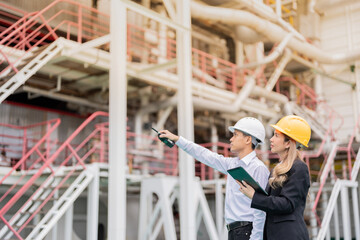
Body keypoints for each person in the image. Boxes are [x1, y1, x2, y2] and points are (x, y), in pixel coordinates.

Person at [159, 117, 270, 240]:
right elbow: (205, 155)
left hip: (247, 232)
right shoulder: (232, 164)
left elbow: (261, 208)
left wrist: (256, 238)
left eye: (235, 135)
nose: (231, 139)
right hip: (234, 231)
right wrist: (177, 139)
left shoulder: (258, 168)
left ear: (248, 139)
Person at [238, 115, 311, 240]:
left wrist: (254, 196)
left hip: (289, 235)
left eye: (276, 135)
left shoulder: (299, 168)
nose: (271, 139)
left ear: (288, 143)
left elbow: (287, 204)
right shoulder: (278, 169)